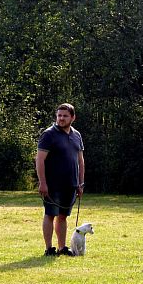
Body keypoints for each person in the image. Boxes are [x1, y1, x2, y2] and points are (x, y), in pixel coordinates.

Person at [36, 103, 86, 256]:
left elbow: (80, 161)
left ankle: (62, 248)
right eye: (59, 115)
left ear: (73, 117)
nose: (61, 119)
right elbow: (39, 160)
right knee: (50, 214)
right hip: (52, 184)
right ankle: (49, 249)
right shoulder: (48, 134)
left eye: (65, 116)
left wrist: (80, 183)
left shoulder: (77, 135)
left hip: (70, 184)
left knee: (63, 216)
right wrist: (43, 183)